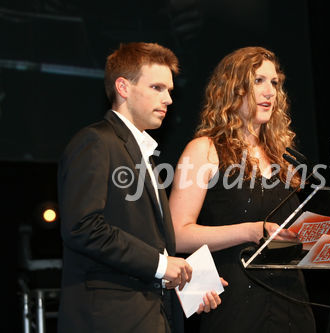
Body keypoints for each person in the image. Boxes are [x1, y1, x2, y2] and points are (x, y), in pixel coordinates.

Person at [57, 42, 225, 333]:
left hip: (150, 316)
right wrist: (161, 265)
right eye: (157, 88)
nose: (169, 99)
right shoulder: (96, 142)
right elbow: (83, 227)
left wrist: (188, 283)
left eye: (170, 90)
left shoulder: (144, 153)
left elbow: (146, 243)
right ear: (123, 87)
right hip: (109, 320)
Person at [169, 46, 316, 332]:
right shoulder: (205, 150)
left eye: (274, 83)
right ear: (234, 89)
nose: (270, 91)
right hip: (236, 306)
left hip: (293, 305)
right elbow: (176, 234)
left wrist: (326, 240)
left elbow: (290, 236)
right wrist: (252, 230)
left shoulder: (285, 157)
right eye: (258, 80)